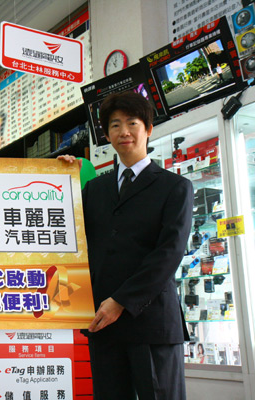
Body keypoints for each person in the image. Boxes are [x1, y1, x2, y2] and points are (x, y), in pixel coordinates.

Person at [60, 91, 193, 399]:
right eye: (115, 125)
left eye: (132, 123)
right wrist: (60, 179)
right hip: (102, 323)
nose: (124, 131)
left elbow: (169, 253)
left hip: (151, 322)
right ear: (107, 135)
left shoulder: (175, 187)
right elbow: (68, 236)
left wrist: (121, 301)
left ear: (148, 129)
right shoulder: (94, 189)